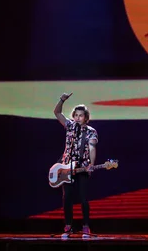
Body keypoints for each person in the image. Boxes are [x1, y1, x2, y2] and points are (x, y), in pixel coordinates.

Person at [53, 92, 98, 239]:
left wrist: (91, 164)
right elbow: (57, 112)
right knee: (67, 198)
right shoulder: (70, 126)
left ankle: (86, 226)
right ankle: (68, 225)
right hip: (67, 167)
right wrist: (62, 100)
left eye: (81, 115)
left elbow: (92, 148)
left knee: (84, 198)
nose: (78, 118)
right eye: (76, 115)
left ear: (86, 118)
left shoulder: (91, 132)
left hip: (82, 167)